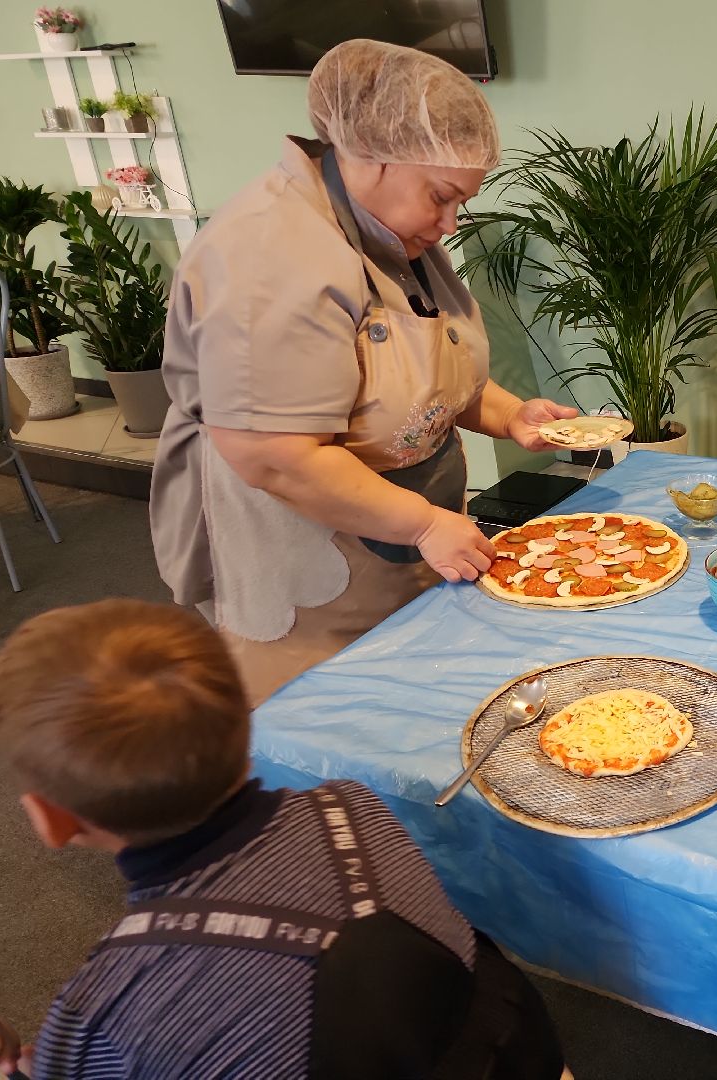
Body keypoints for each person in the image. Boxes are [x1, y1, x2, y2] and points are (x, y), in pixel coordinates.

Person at [150, 39, 578, 706]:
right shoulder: (271, 256)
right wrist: (424, 525)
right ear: (373, 156)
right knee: (330, 728)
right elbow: (277, 459)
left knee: (413, 707)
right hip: (310, 551)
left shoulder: (390, 227)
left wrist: (505, 413)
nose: (449, 222)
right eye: (441, 196)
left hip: (406, 531)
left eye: (460, 201)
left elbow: (421, 369)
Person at [0, 599, 568, 1080]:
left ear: (51, 822)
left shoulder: (97, 1016)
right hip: (511, 1049)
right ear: (246, 729)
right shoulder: (350, 808)